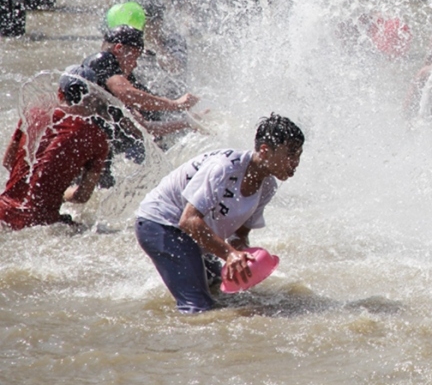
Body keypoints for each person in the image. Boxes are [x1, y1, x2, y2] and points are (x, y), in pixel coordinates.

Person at [134, 114, 305, 313]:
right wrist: (230, 254)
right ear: (265, 151)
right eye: (291, 154)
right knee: (199, 307)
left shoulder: (268, 186)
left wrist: (242, 253)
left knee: (219, 289)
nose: (296, 162)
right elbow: (188, 220)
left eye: (299, 155)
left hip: (193, 233)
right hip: (160, 224)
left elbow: (239, 234)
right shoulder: (223, 168)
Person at [0, 67, 110, 230]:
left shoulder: (33, 114)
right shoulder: (96, 138)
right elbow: (81, 196)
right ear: (93, 97)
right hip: (41, 223)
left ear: (60, 93)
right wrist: (57, 193)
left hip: (3, 213)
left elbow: (8, 161)